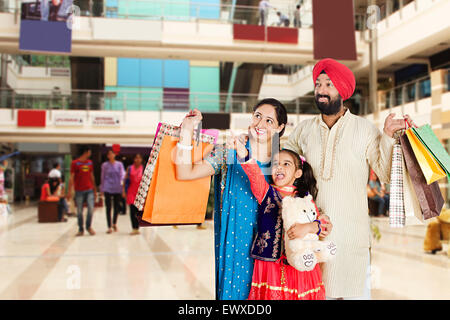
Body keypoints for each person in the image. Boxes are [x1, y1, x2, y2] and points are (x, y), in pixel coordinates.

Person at [283, 58, 416, 300]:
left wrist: (387, 137)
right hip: (313, 236)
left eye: (328, 84)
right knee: (315, 294)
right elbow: (283, 170)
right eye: (318, 84)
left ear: (342, 91)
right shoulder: (303, 130)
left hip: (352, 236)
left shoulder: (364, 129)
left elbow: (385, 174)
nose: (321, 91)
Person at [175, 99, 289, 300]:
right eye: (257, 116)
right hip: (236, 249)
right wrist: (187, 131)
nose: (260, 124)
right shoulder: (228, 154)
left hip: (272, 253)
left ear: (280, 127)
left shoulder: (283, 162)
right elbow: (185, 173)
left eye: (269, 121)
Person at [235, 145, 332, 300]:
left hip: (298, 263)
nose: (279, 167)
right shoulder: (265, 192)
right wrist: (244, 155)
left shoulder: (305, 199)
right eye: (275, 164)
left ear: (298, 173)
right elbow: (254, 174)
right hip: (270, 264)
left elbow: (320, 226)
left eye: (286, 164)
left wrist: (309, 227)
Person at [67, 146, 98, 236]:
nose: (90, 153)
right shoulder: (75, 163)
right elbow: (71, 178)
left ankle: (88, 226)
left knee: (91, 209)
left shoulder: (89, 163)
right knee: (79, 211)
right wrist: (69, 191)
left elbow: (92, 177)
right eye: (90, 151)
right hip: (79, 191)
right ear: (86, 152)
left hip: (89, 190)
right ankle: (81, 229)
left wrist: (95, 190)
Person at [101, 149, 125, 234]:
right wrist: (102, 189)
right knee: (108, 207)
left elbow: (122, 175)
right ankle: (109, 226)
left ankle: (114, 223)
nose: (111, 155)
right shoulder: (104, 165)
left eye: (112, 154)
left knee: (116, 207)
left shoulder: (119, 164)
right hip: (107, 187)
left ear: (114, 155)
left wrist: (122, 185)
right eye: (109, 154)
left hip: (117, 187)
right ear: (107, 156)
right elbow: (102, 177)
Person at [123, 153, 144, 235]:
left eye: (139, 158)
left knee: (138, 211)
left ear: (141, 160)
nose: (137, 160)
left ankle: (137, 226)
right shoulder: (129, 168)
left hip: (140, 193)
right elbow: (125, 180)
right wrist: (123, 191)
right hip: (131, 192)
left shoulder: (144, 168)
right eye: (136, 158)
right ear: (133, 159)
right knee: (132, 211)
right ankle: (134, 228)